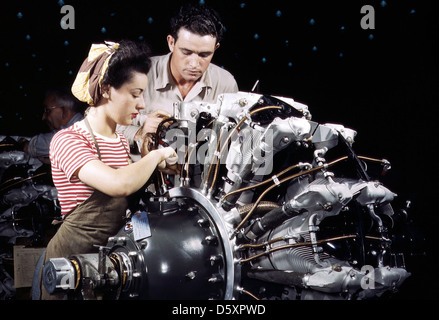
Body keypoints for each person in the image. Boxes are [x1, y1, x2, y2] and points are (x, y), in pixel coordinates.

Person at [37, 40, 177, 300]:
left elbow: (127, 192)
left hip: (108, 268)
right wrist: (156, 155)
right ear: (105, 89)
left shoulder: (121, 141)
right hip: (69, 267)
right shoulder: (69, 140)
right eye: (135, 94)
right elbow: (117, 184)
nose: (142, 104)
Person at [119, 3, 239, 149]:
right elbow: (101, 123)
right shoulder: (140, 73)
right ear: (171, 42)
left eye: (204, 55)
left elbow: (234, 141)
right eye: (186, 52)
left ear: (216, 48)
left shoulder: (226, 83)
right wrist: (139, 132)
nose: (194, 64)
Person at [19, 88, 84, 163]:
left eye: (47, 110)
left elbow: (32, 147)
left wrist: (24, 144)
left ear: (65, 111)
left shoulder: (72, 134)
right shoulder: (83, 125)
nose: (43, 117)